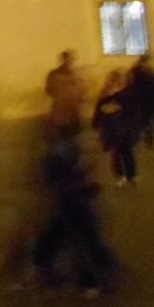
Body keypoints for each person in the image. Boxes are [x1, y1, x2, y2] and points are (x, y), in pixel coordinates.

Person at [31, 103, 117, 296]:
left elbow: (89, 157)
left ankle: (93, 275)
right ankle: (94, 276)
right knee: (76, 229)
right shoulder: (57, 132)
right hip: (69, 187)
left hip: (73, 187)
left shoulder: (76, 134)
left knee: (72, 228)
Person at [92, 70, 139, 186]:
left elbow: (131, 109)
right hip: (112, 128)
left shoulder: (124, 93)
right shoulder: (106, 94)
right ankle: (122, 176)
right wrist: (97, 123)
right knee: (117, 153)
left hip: (123, 126)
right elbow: (100, 109)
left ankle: (131, 175)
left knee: (126, 151)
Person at [43, 50, 85, 130]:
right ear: (62, 60)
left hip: (74, 112)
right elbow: (48, 90)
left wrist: (80, 100)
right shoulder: (54, 75)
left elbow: (82, 91)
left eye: (71, 60)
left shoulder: (78, 75)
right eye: (67, 59)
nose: (69, 62)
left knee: (74, 134)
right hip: (60, 114)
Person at [127, 53, 154, 149]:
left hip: (139, 99)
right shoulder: (147, 71)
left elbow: (129, 83)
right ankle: (148, 141)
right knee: (147, 121)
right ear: (145, 61)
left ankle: (143, 140)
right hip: (146, 100)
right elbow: (153, 85)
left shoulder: (133, 70)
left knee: (141, 121)